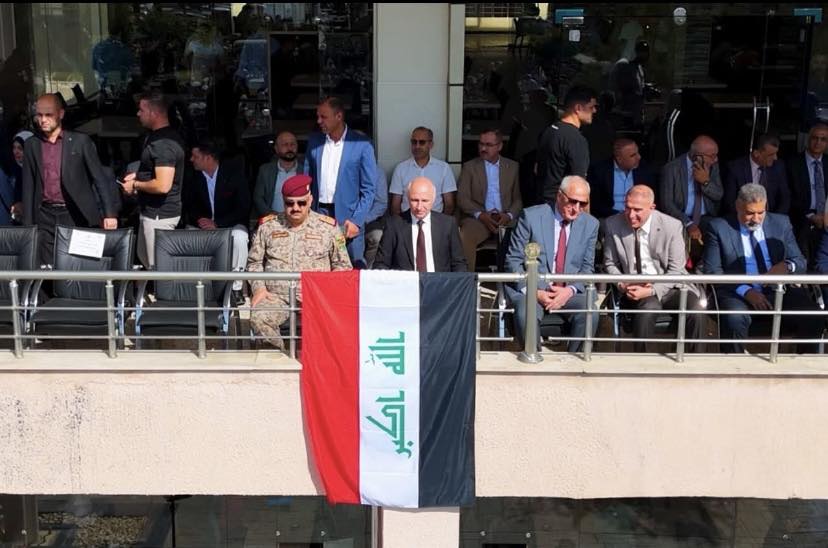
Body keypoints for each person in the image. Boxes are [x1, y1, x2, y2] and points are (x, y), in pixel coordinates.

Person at [703, 183, 820, 354]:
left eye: (761, 212)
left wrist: (787, 266)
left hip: (778, 292)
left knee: (813, 315)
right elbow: (713, 271)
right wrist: (747, 291)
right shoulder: (719, 227)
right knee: (734, 318)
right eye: (750, 213)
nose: (756, 219)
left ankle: (804, 365)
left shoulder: (781, 223)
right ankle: (734, 366)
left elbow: (800, 262)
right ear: (738, 206)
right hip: (737, 293)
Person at [247, 174, 352, 349]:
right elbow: (254, 262)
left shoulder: (329, 227)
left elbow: (343, 265)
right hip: (276, 297)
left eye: (301, 203)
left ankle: (318, 361)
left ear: (310, 200)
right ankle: (280, 358)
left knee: (338, 323)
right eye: (290, 203)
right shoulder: (267, 226)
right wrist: (259, 288)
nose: (295, 208)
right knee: (259, 318)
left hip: (317, 297)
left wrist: (329, 292)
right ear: (283, 201)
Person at [603, 185, 705, 352]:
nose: (631, 214)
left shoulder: (672, 226)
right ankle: (644, 361)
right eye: (627, 207)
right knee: (647, 310)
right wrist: (622, 284)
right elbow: (610, 264)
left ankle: (695, 361)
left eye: (637, 210)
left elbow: (676, 269)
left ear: (652, 208)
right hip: (635, 286)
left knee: (695, 309)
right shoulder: (613, 224)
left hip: (671, 285)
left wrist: (652, 290)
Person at [21, 94, 120, 266]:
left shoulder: (81, 141)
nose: (43, 120)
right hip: (44, 214)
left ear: (60, 114)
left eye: (48, 115)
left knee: (79, 263)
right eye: (39, 115)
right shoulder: (32, 144)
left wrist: (109, 214)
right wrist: (28, 224)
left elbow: (99, 178)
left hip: (75, 212)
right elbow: (28, 186)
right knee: (47, 265)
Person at [505, 175, 599, 353]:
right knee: (526, 313)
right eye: (572, 201)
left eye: (583, 204)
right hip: (533, 289)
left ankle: (574, 362)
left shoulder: (590, 224)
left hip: (568, 292)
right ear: (559, 196)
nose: (577, 208)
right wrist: (535, 291)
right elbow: (513, 261)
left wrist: (569, 291)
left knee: (590, 313)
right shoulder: (531, 217)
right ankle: (534, 358)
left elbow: (587, 268)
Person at [305, 96, 377, 268]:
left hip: (348, 217)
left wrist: (357, 220)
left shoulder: (362, 144)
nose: (319, 121)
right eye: (318, 116)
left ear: (338, 116)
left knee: (352, 267)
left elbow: (369, 189)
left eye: (323, 117)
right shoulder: (315, 141)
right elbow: (307, 180)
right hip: (319, 214)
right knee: (319, 266)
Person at [120, 91, 186, 269]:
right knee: (146, 260)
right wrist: (138, 176)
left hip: (159, 216)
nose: (138, 113)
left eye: (142, 110)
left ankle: (162, 289)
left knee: (157, 267)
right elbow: (156, 172)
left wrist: (135, 184)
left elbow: (163, 185)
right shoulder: (158, 137)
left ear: (154, 113)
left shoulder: (163, 144)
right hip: (150, 212)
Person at [185, 140, 251, 305]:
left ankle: (236, 288)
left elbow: (243, 207)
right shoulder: (192, 176)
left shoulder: (233, 174)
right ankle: (194, 287)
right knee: (186, 236)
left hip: (230, 223)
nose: (191, 159)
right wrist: (201, 221)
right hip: (203, 226)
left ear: (208, 157)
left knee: (240, 238)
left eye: (195, 156)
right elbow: (188, 206)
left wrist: (218, 223)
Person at [457, 129, 522, 272]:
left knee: (525, 231)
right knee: (465, 234)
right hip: (478, 218)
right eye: (481, 144)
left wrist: (508, 215)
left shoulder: (512, 167)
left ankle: (515, 280)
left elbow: (517, 199)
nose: (483, 148)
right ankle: (466, 279)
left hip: (505, 217)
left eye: (488, 145)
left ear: (499, 146)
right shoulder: (469, 167)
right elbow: (462, 198)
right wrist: (481, 215)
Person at [374, 176, 466, 272]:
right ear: (408, 199)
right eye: (415, 200)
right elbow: (381, 264)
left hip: (438, 280)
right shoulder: (393, 225)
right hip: (406, 281)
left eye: (425, 201)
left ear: (433, 199)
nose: (419, 207)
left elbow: (459, 263)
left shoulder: (448, 224)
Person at [659, 135, 724, 258]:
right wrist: (688, 224)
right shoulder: (671, 169)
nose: (715, 159)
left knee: (720, 230)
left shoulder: (713, 167)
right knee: (680, 236)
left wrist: (705, 182)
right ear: (696, 156)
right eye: (712, 156)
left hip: (706, 217)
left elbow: (718, 195)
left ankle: (706, 265)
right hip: (680, 217)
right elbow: (667, 204)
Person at [536, 85, 597, 204]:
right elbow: (579, 185)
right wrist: (585, 214)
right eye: (591, 107)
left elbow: (537, 168)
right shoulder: (576, 139)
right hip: (563, 206)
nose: (595, 111)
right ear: (578, 108)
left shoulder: (548, 131)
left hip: (541, 203)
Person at [389, 127, 456, 216]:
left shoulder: (444, 168)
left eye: (422, 142)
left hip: (436, 221)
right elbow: (395, 206)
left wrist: (441, 223)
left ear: (431, 145)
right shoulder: (401, 169)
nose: (417, 146)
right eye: (414, 142)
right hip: (407, 221)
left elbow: (449, 204)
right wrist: (400, 224)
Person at [787, 123, 828, 265]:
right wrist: (810, 215)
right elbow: (788, 196)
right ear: (808, 139)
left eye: (823, 139)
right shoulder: (792, 163)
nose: (818, 142)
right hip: (801, 218)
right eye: (815, 138)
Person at [587, 138, 656, 220]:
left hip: (638, 217)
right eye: (633, 155)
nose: (639, 157)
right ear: (619, 159)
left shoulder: (645, 170)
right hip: (610, 217)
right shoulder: (600, 171)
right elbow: (596, 203)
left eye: (638, 153)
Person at [723, 133, 790, 215]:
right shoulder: (735, 168)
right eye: (771, 155)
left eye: (776, 153)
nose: (775, 158)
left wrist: (776, 218)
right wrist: (748, 217)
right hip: (745, 216)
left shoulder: (778, 166)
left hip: (771, 216)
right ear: (756, 153)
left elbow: (785, 197)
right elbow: (730, 202)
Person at [252, 130, 304, 218]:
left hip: (298, 219)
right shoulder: (265, 170)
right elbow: (258, 198)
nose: (289, 148)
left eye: (292, 144)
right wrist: (271, 216)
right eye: (285, 145)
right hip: (272, 219)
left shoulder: (305, 170)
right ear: (276, 149)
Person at [363, 166, 389, 268]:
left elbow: (381, 203)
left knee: (377, 236)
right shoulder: (345, 169)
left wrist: (363, 220)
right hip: (346, 219)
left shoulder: (378, 172)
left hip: (369, 220)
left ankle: (368, 269)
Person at [9, 130, 34, 221]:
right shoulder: (16, 169)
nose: (16, 152)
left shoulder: (35, 171)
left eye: (20, 148)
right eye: (14, 148)